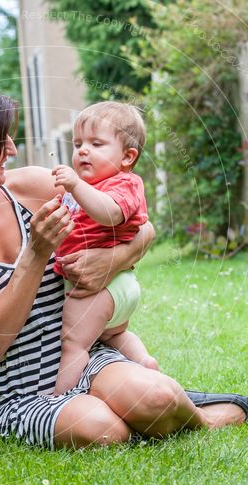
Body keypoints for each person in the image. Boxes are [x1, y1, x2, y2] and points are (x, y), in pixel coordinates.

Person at [0, 78, 248, 450]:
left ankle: (195, 417)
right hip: (16, 392)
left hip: (88, 356)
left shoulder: (32, 186)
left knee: (156, 399)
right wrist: (35, 253)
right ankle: (149, 408)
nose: (13, 149)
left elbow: (141, 227)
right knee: (103, 430)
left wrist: (112, 258)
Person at [51, 101, 158, 396]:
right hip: (116, 287)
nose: (83, 150)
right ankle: (143, 361)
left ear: (127, 157)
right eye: (78, 143)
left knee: (74, 344)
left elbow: (110, 214)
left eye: (96, 144)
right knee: (114, 334)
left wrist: (75, 185)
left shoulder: (124, 184)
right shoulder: (89, 187)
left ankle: (57, 400)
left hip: (104, 286)